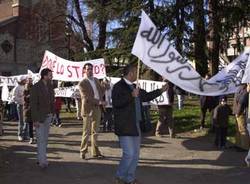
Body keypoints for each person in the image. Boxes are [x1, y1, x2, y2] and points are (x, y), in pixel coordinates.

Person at [112, 64, 168, 184]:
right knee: (129, 153)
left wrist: (161, 90)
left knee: (136, 154)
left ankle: (130, 178)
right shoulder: (118, 86)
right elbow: (116, 103)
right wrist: (131, 96)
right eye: (136, 71)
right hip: (125, 125)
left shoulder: (135, 86)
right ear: (131, 73)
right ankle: (119, 176)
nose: (138, 74)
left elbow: (147, 96)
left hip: (135, 124)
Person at [78, 63, 106, 159]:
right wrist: (100, 102)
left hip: (97, 108)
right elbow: (86, 97)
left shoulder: (96, 80)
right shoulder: (82, 83)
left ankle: (95, 151)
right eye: (88, 69)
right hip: (88, 109)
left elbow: (100, 92)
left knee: (95, 132)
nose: (90, 70)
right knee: (86, 132)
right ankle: (83, 151)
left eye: (91, 69)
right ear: (84, 70)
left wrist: (105, 86)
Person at [30, 68, 55, 169]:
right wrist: (35, 119)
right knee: (41, 140)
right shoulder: (36, 87)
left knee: (45, 139)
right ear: (44, 76)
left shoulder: (50, 86)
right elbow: (33, 104)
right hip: (39, 117)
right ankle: (42, 161)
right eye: (50, 75)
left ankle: (40, 157)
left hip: (48, 116)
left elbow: (52, 100)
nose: (51, 76)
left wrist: (53, 113)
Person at [233, 83, 249, 151]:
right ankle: (238, 144)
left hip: (241, 112)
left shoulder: (245, 89)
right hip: (237, 111)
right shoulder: (240, 88)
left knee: (242, 129)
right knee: (238, 129)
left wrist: (237, 112)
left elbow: (241, 102)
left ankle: (244, 146)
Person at [13, 75, 28, 141]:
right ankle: (20, 135)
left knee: (26, 120)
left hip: (26, 105)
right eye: (25, 80)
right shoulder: (17, 87)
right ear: (22, 80)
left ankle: (25, 135)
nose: (26, 81)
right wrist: (21, 98)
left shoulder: (25, 86)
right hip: (20, 105)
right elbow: (14, 98)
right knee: (21, 121)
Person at [23, 76, 35, 144]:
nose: (30, 82)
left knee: (36, 124)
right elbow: (24, 99)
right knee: (29, 124)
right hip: (28, 109)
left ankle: (35, 137)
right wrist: (28, 96)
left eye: (31, 81)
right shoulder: (25, 90)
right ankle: (31, 137)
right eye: (29, 81)